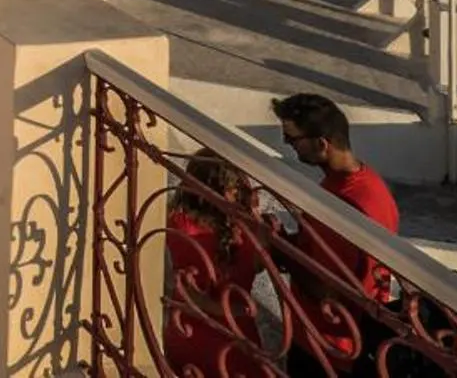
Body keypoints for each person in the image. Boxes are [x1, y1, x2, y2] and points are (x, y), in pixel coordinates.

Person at [273, 92, 399, 378]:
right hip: (347, 340)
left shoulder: (344, 209)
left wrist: (278, 248)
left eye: (292, 139)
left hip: (329, 347)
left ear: (321, 144)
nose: (287, 145)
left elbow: (329, 293)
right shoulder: (368, 184)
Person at [165, 153, 263, 377]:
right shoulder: (186, 227)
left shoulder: (240, 223)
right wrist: (235, 312)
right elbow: (192, 294)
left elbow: (254, 268)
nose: (237, 194)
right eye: (233, 188)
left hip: (232, 333)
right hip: (209, 333)